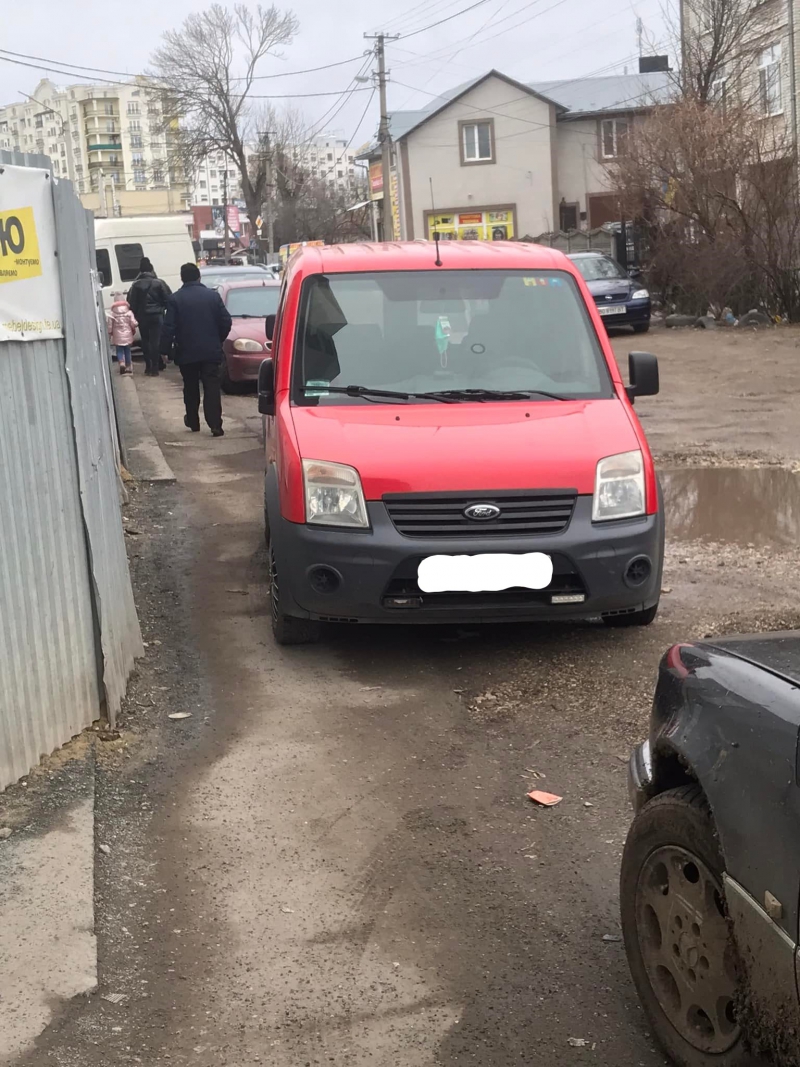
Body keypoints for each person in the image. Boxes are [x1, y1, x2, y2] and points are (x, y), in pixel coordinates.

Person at [160, 263, 232, 437]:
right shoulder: (213, 297)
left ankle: (193, 421)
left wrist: (164, 350)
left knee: (190, 386)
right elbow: (226, 322)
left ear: (182, 278)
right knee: (211, 386)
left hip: (186, 351)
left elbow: (169, 327)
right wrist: (218, 339)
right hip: (210, 351)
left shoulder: (175, 299)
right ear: (199, 277)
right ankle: (215, 424)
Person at [127, 257, 171, 377]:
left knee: (145, 341)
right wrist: (161, 308)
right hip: (157, 315)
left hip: (143, 316)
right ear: (151, 269)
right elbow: (168, 299)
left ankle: (148, 366)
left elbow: (131, 302)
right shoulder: (159, 283)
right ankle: (156, 367)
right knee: (155, 341)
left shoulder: (135, 285)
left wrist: (137, 313)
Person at [107, 293, 137, 375]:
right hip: (127, 334)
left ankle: (121, 363)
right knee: (127, 350)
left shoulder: (111, 314)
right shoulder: (129, 312)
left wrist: (109, 333)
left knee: (119, 350)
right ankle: (128, 366)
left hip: (117, 335)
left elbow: (110, 326)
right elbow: (133, 323)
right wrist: (136, 324)